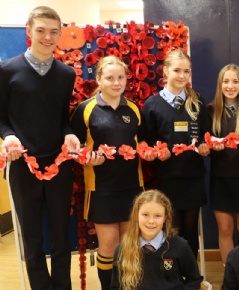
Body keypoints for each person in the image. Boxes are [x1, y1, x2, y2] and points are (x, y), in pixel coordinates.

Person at [0, 6, 79, 290]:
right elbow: (1, 118)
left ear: (60, 34)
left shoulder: (66, 74)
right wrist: (8, 136)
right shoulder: (6, 70)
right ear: (29, 31)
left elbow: (61, 118)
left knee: (61, 237)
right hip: (22, 167)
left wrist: (69, 134)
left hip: (59, 166)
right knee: (32, 240)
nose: (48, 37)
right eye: (41, 30)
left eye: (54, 31)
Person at [71, 55, 149, 289]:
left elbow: (143, 143)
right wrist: (86, 160)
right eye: (110, 78)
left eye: (121, 77)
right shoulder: (86, 109)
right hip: (101, 188)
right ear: (98, 79)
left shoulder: (134, 108)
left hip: (132, 186)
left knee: (128, 245)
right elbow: (72, 149)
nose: (116, 83)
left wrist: (149, 152)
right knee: (108, 246)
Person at [142, 49, 210, 260]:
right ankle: (172, 276)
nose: (182, 76)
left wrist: (204, 146)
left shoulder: (197, 101)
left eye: (186, 71)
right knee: (172, 231)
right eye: (177, 70)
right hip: (168, 178)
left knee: (191, 231)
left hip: (193, 177)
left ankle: (191, 276)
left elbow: (205, 136)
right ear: (165, 71)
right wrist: (156, 151)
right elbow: (147, 138)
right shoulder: (153, 104)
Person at [207, 64, 239, 264]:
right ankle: (230, 275)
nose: (230, 86)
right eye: (226, 81)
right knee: (225, 229)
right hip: (220, 179)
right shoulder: (211, 111)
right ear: (220, 84)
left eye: (235, 81)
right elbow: (205, 145)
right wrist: (212, 148)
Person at [111, 189, 203, 290]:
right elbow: (116, 287)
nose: (151, 221)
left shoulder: (180, 246)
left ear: (165, 218)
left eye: (157, 216)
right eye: (145, 215)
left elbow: (194, 280)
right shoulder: (122, 249)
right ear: (136, 215)